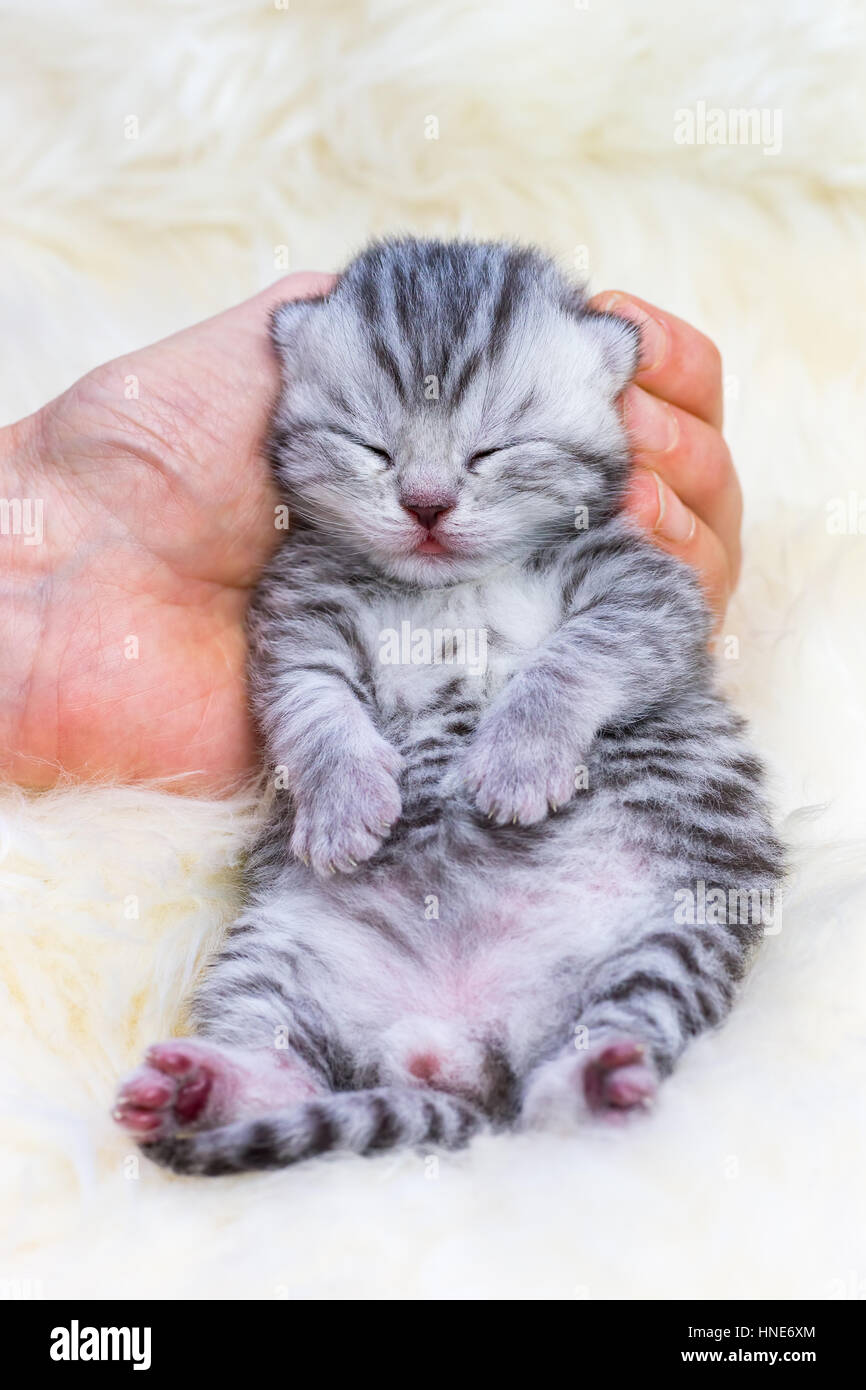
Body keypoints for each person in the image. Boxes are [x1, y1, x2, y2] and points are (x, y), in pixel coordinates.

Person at [0, 273, 740, 791]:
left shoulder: (584, 541)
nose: (426, 497)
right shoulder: (305, 582)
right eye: (371, 452)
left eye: (490, 454)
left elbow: (657, 616)